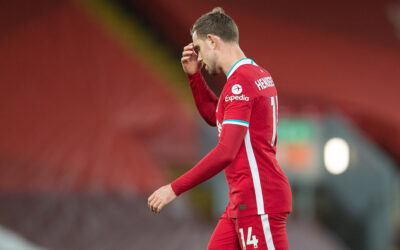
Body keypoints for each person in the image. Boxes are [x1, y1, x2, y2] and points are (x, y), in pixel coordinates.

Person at [148, 7, 292, 250]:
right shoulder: (255, 74)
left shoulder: (240, 83)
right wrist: (194, 77)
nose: (199, 57)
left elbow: (226, 151)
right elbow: (217, 116)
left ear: (212, 41)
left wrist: (174, 188)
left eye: (199, 48)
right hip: (244, 201)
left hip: (259, 200)